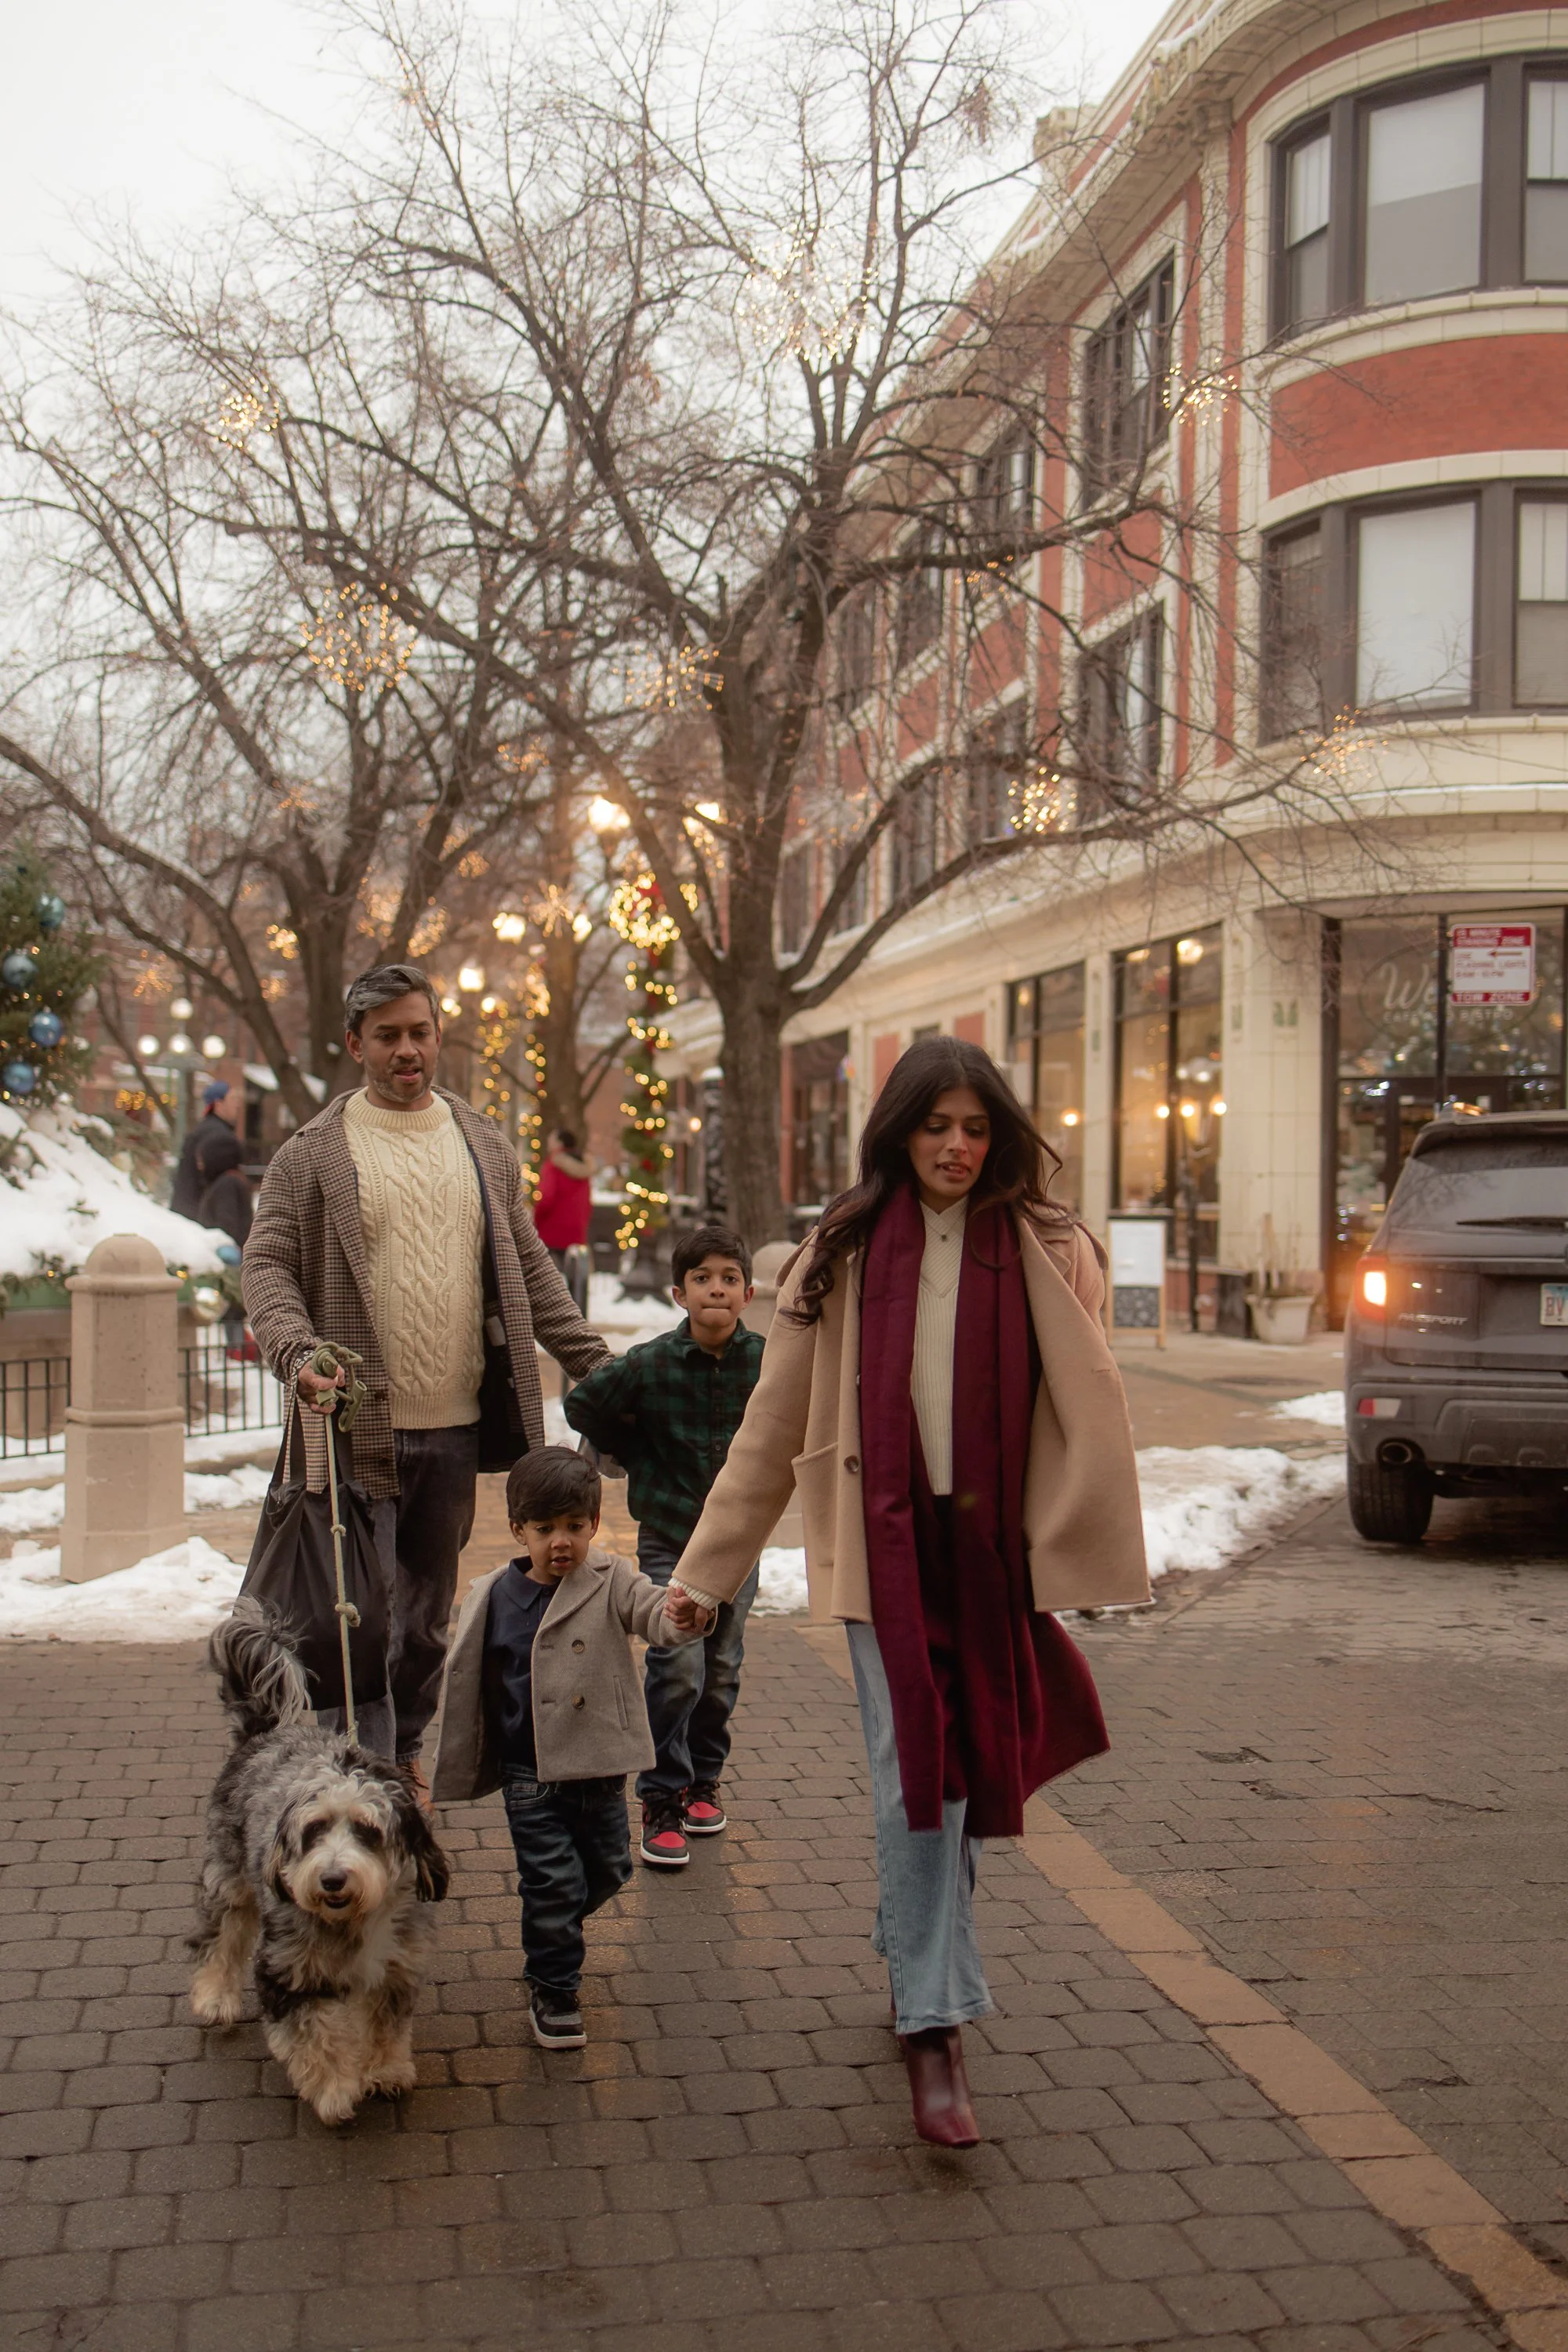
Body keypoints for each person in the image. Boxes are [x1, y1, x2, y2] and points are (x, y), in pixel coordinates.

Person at [670, 1037, 1149, 2150]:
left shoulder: (1042, 1246)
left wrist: (1078, 1536)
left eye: (977, 1128)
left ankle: (911, 1943)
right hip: (882, 1556)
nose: (957, 1147)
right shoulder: (836, 1256)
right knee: (913, 1776)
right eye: (936, 1126)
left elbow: (1089, 1399)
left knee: (973, 1763)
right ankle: (935, 2023)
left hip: (990, 1555)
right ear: (898, 1131)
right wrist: (703, 1576)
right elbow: (770, 1433)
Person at [242, 964, 612, 1788]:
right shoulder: (313, 1154)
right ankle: (365, 1776)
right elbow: (265, 1266)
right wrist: (298, 1353)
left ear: (437, 1035)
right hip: (351, 1429)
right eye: (387, 1036)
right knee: (358, 1622)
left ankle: (404, 1745)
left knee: (424, 1627)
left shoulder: (480, 1142)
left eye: (418, 1032)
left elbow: (529, 1269)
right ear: (354, 1045)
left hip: (452, 1426)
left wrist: (596, 1365)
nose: (406, 1050)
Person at [430, 1448, 709, 2049]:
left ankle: (549, 1932)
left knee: (608, 1870)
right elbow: (469, 1676)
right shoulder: (491, 1594)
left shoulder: (612, 1580)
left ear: (594, 1523)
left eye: (575, 1527)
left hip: (600, 1768)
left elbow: (656, 1615)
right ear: (517, 1530)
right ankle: (554, 1985)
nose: (562, 1542)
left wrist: (683, 1614)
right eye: (545, 1528)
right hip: (528, 1774)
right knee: (552, 1883)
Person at [562, 1225, 764, 1869]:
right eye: (703, 1278)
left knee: (722, 1669)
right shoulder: (649, 1364)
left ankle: (704, 1778)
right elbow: (586, 1404)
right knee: (678, 1666)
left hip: (738, 1543)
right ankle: (662, 1795)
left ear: (748, 1293)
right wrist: (634, 1449)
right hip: (671, 1538)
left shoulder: (767, 1363)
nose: (716, 1289)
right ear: (680, 1293)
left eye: (729, 1278)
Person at [171, 1080, 238, 1218]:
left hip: (187, 1213)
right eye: (232, 1099)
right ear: (218, 1104)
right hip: (203, 1217)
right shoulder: (220, 1137)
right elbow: (220, 1186)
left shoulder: (201, 1130)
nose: (237, 1105)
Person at [533, 1129, 593, 1272]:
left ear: (559, 1144)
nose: (548, 1142)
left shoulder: (553, 1165)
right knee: (574, 1282)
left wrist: (535, 1220)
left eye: (552, 1139)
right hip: (576, 1231)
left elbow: (547, 1199)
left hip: (551, 1231)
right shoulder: (584, 1167)